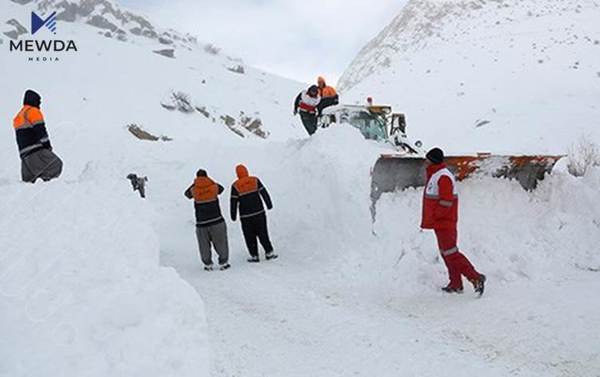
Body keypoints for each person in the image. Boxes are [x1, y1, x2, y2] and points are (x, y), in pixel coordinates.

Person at [421, 147, 486, 295]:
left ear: (433, 160)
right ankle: (456, 284)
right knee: (447, 253)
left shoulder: (443, 177)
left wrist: (437, 215)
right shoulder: (436, 174)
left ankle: (475, 277)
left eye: (428, 159)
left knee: (451, 253)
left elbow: (446, 201)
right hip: (440, 223)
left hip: (445, 223)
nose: (425, 162)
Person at [13, 90, 63, 183]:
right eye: (39, 101)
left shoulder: (19, 116)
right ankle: (46, 187)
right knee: (56, 165)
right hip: (36, 152)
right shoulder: (33, 111)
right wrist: (47, 147)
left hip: (24, 157)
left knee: (30, 184)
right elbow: (41, 131)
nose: (39, 104)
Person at [185, 169, 230, 271]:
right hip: (217, 220)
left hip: (202, 223)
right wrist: (209, 182)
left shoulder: (193, 190)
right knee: (221, 242)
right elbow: (222, 189)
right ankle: (224, 262)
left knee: (204, 245)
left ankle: (208, 264)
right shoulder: (214, 187)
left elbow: (186, 194)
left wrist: (195, 184)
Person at [230, 164, 277, 263]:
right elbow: (264, 192)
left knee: (249, 236)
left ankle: (254, 255)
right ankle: (269, 252)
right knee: (263, 232)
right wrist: (269, 204)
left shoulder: (235, 185)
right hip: (259, 213)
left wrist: (233, 215)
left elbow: (233, 202)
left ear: (237, 174)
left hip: (246, 216)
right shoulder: (255, 180)